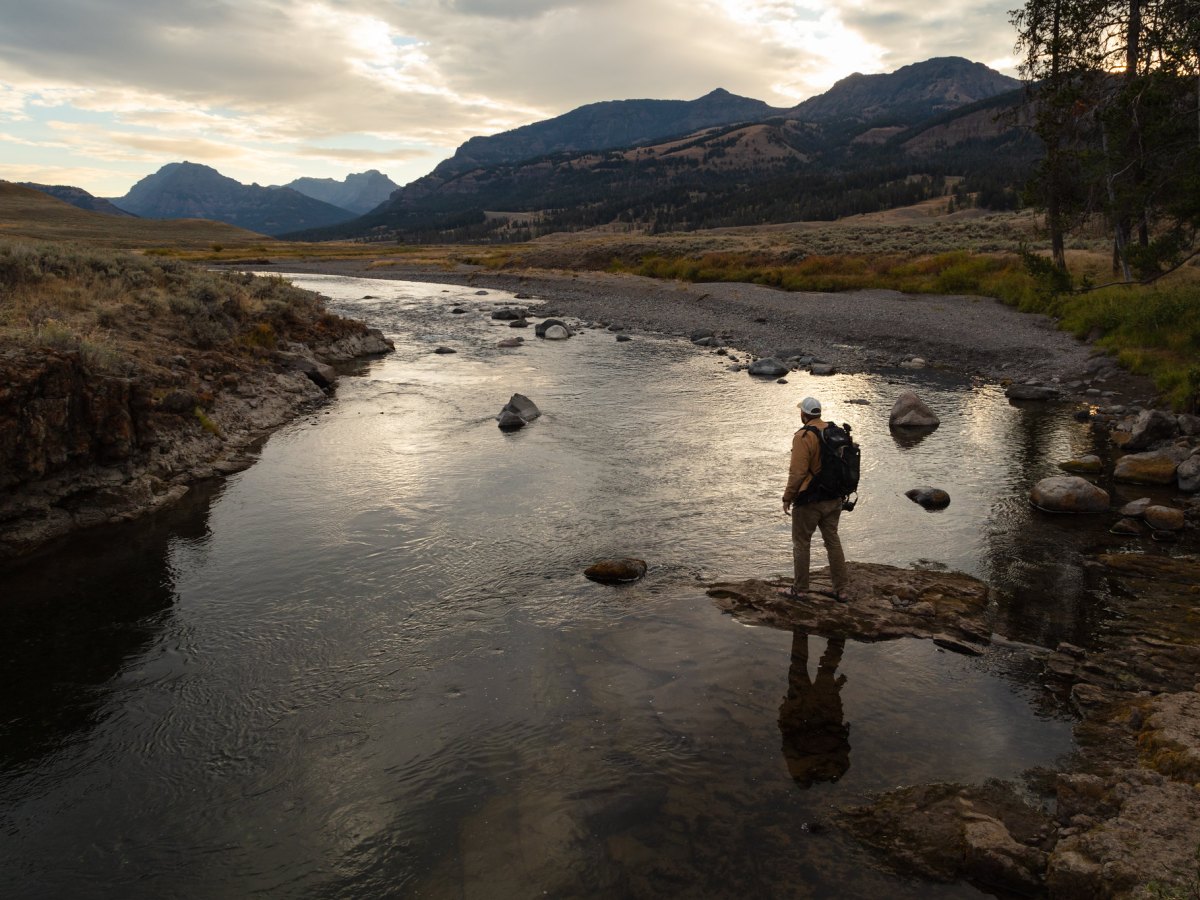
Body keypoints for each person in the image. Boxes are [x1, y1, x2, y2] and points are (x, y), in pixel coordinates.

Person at [781, 396, 849, 601]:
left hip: (810, 500)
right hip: (835, 497)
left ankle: (800, 589)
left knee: (801, 543)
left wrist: (787, 497)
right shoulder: (834, 431)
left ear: (804, 414)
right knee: (833, 541)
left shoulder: (803, 436)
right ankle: (841, 590)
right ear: (818, 412)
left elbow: (797, 473)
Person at [778, 629, 850, 787]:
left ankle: (837, 631)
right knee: (802, 666)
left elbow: (844, 746)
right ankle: (808, 629)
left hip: (815, 714)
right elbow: (787, 740)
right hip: (808, 713)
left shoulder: (833, 768)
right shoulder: (798, 768)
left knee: (823, 669)